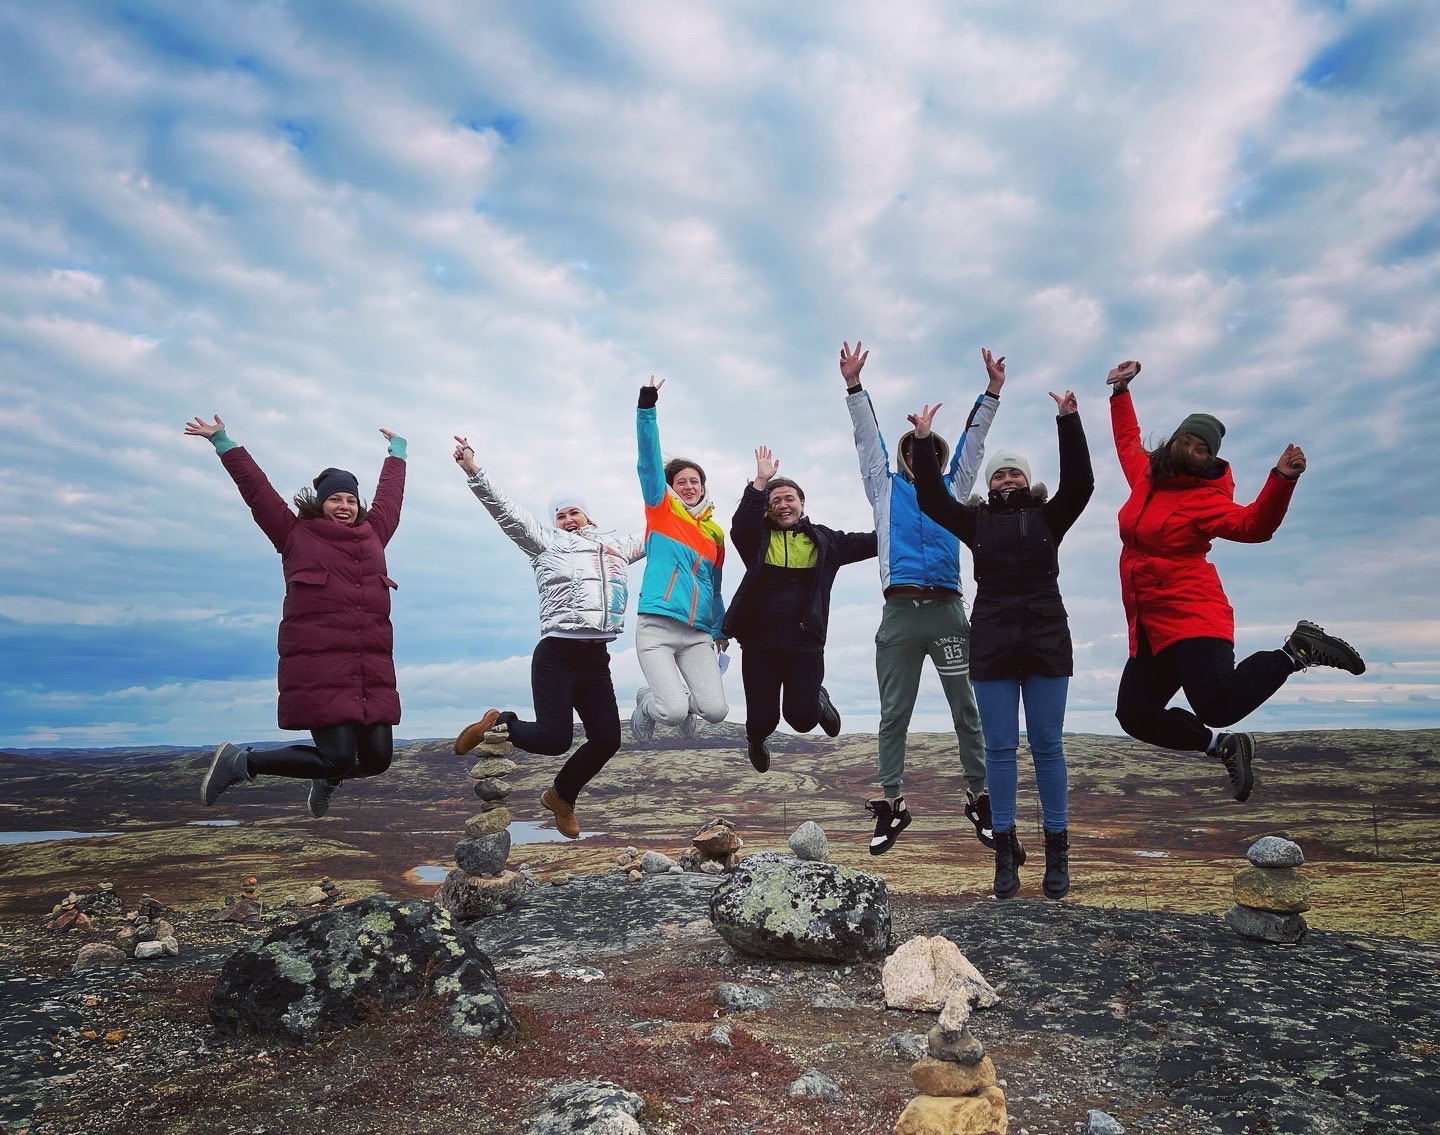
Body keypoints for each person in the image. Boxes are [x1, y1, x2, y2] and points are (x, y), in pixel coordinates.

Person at [1106, 360, 1365, 800]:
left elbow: (1254, 526)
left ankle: (1296, 650)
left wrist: (1281, 480)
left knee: (1218, 704)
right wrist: (1119, 391)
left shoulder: (1207, 501)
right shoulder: (1146, 474)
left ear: (1209, 458)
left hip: (1193, 615)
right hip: (1149, 624)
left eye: (1201, 447)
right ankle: (1221, 746)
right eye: (1185, 439)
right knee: (1134, 714)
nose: (1191, 448)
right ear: (1173, 442)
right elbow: (1127, 440)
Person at [911, 384, 1094, 900]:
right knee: (998, 749)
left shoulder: (1049, 517)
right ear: (989, 484)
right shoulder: (975, 521)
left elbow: (1081, 483)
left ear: (1027, 482)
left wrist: (1068, 421)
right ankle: (1006, 857)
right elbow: (930, 498)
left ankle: (1058, 851)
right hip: (991, 639)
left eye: (1014, 471)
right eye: (999, 472)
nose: (1007, 477)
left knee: (1048, 745)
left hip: (1045, 635)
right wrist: (924, 443)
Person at [183, 414, 407, 819]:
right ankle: (242, 762)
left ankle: (325, 779)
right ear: (320, 502)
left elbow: (391, 496)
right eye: (336, 499)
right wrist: (224, 443)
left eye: (351, 499)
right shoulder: (293, 533)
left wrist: (398, 453)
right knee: (336, 756)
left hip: (370, 669)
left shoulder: (374, 533)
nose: (344, 506)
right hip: (319, 666)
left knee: (376, 761)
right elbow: (257, 491)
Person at [842, 341, 1002, 855]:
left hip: (948, 611)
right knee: (894, 713)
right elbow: (868, 441)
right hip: (899, 614)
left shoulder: (953, 487)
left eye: (928, 450)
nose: (920, 457)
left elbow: (973, 447)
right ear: (902, 456)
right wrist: (854, 387)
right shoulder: (883, 488)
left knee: (966, 710)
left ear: (938, 456)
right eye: (911, 450)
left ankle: (980, 796)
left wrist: (992, 392)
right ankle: (892, 804)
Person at [449, 437, 645, 839]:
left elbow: (662, 532)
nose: (569, 519)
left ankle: (561, 796)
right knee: (555, 740)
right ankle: (498, 723)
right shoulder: (544, 544)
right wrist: (475, 472)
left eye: (575, 511)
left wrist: (694, 506)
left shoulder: (615, 546)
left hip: (596, 658)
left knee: (607, 739)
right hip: (557, 653)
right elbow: (507, 512)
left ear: (588, 514)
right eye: (561, 515)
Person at [722, 446, 878, 772]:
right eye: (775, 500)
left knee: (802, 719)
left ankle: (816, 699)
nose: (783, 505)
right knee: (762, 720)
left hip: (804, 643)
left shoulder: (825, 541)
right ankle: (756, 740)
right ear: (767, 508)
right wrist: (760, 482)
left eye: (789, 498)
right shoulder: (757, 538)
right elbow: (740, 525)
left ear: (802, 503)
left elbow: (875, 541)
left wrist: (911, 520)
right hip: (759, 644)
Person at [628, 375, 729, 740]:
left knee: (716, 712)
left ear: (704, 486)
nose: (690, 486)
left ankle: (686, 703)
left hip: (698, 633)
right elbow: (648, 463)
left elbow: (714, 587)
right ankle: (646, 702)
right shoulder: (661, 511)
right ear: (671, 486)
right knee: (670, 712)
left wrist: (718, 630)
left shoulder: (715, 533)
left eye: (696, 481)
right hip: (657, 625)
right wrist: (646, 410)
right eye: (682, 481)